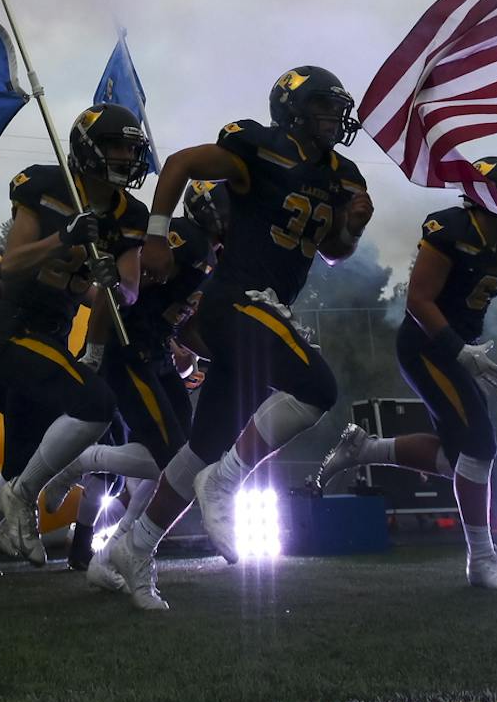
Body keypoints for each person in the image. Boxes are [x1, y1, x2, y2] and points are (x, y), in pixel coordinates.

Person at [97, 69, 372, 612]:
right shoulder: (259, 147)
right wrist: (154, 235)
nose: (334, 117)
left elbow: (334, 249)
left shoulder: (342, 172)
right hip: (237, 301)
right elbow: (179, 165)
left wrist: (355, 225)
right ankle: (225, 485)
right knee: (317, 387)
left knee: (203, 446)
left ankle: (132, 548)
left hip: (266, 309)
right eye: (323, 106)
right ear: (292, 108)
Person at [0, 106, 148, 604]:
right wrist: (62, 238)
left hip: (50, 341)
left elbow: (128, 293)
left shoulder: (128, 215)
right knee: (96, 404)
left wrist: (114, 283)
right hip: (13, 333)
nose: (127, 156)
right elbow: (13, 263)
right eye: (117, 146)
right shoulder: (45, 188)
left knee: (15, 470)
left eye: (132, 148)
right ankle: (23, 500)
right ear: (89, 149)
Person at [315, 157, 497, 588]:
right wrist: (460, 351)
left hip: (457, 351)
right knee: (480, 446)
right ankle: (483, 561)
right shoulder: (450, 229)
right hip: (427, 347)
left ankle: (365, 450)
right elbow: (418, 300)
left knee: (462, 458)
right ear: (484, 194)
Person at [59, 178, 223, 574]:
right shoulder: (184, 238)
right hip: (128, 349)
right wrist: (97, 348)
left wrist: (225, 358)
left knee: (189, 456)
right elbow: (123, 287)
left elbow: (185, 327)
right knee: (171, 458)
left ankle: (120, 545)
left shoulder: (216, 256)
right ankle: (83, 461)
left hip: (157, 351)